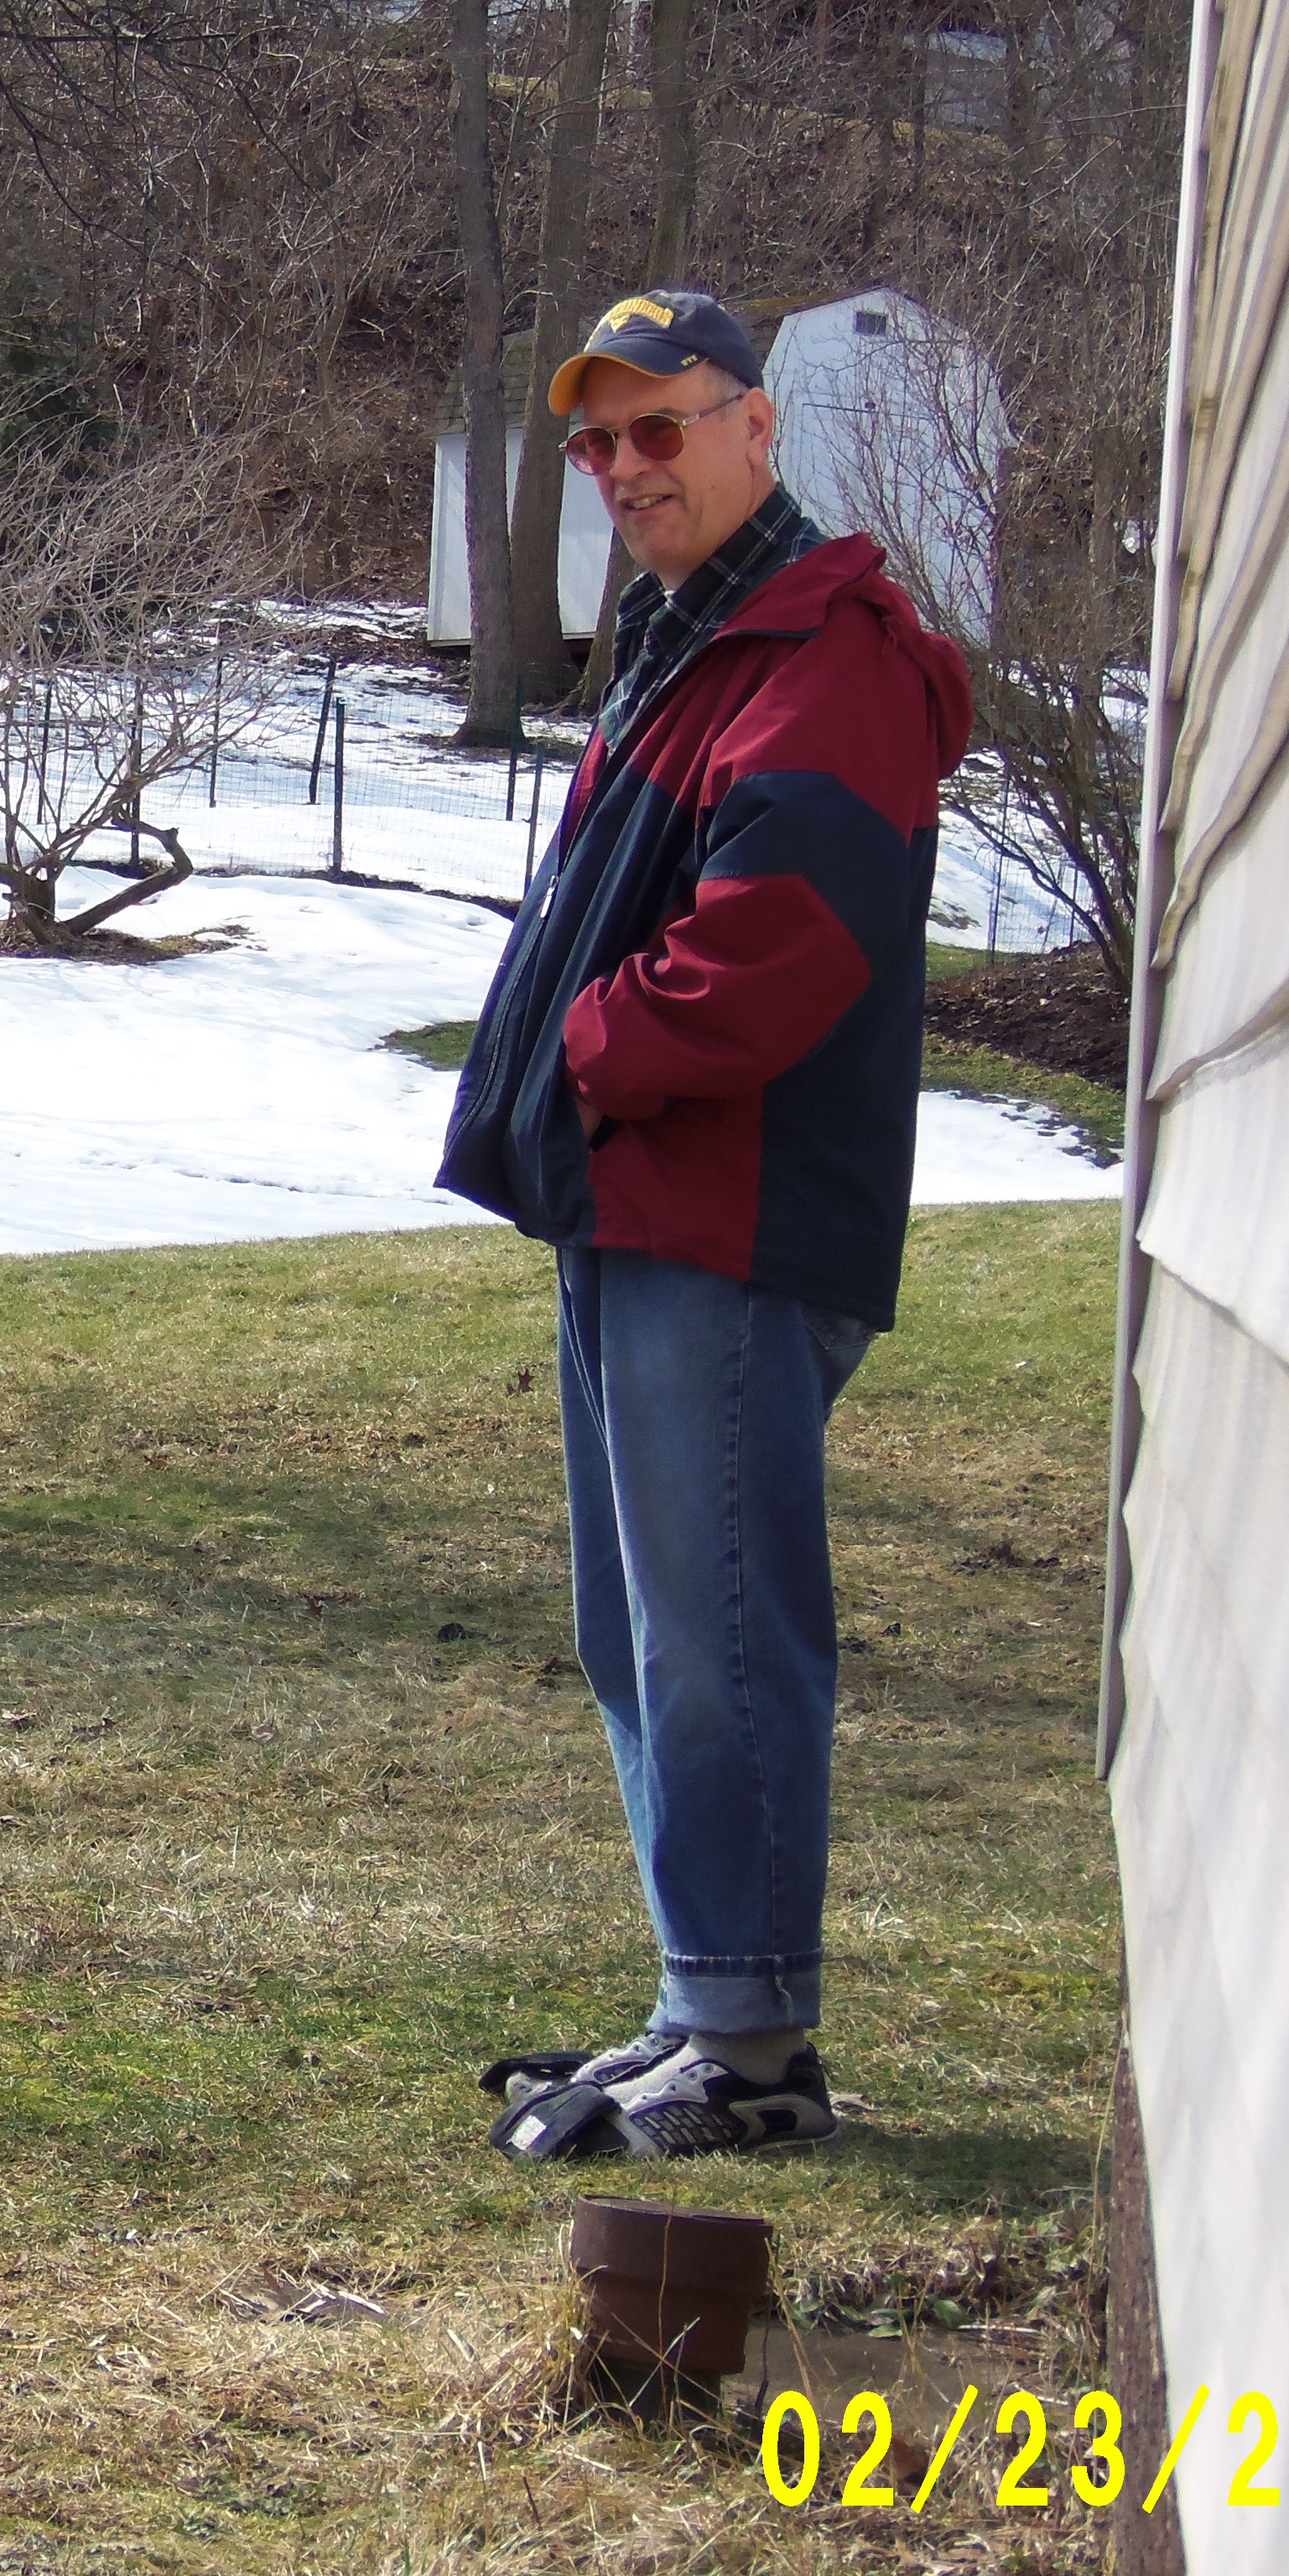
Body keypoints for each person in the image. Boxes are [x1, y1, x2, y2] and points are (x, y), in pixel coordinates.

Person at [433, 288, 970, 2161]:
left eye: (660, 429)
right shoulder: (695, 641)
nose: (626, 470)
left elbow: (778, 952)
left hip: (731, 1222)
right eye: (598, 446)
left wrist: (577, 1049)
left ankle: (751, 2045)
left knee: (723, 1632)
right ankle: (702, 2000)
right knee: (643, 1630)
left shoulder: (832, 650)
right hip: (639, 1209)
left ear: (755, 428)